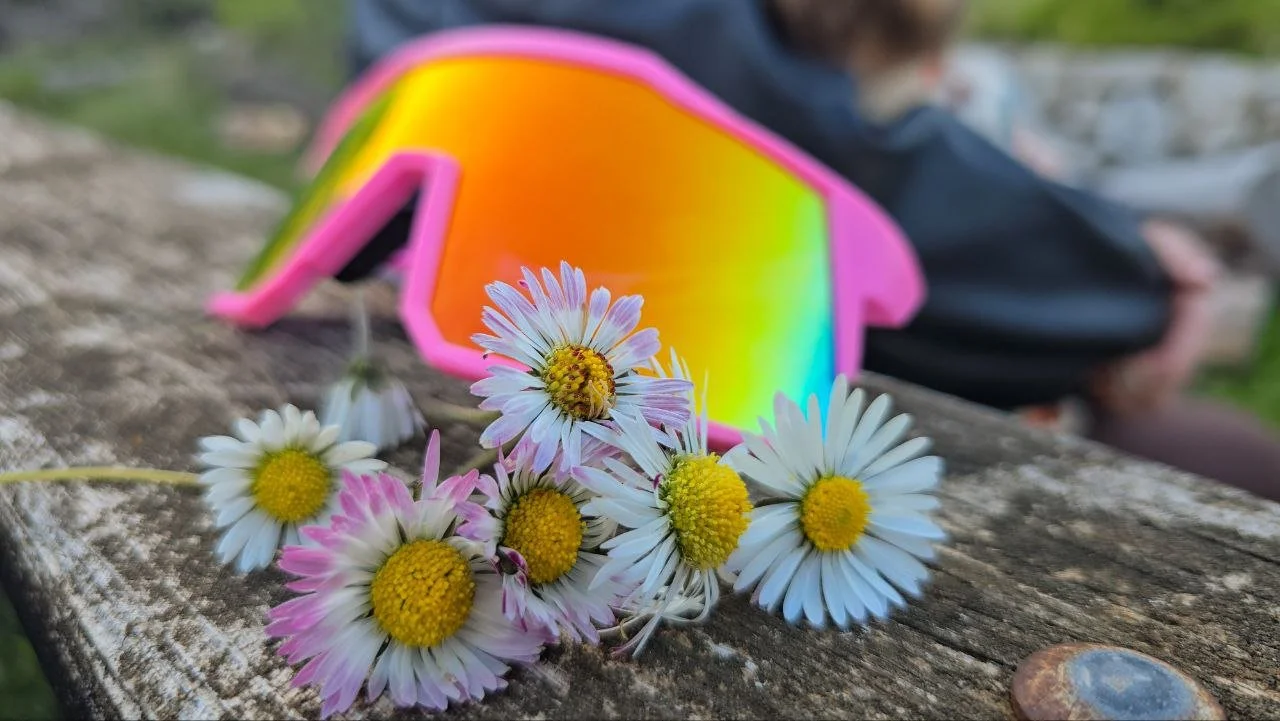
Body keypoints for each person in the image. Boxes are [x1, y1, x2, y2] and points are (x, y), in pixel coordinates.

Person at [343, 0, 1280, 500]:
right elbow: (892, 176)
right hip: (684, 427)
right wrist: (1133, 271)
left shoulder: (437, 36)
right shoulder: (806, 134)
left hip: (487, 360)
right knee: (1240, 460)